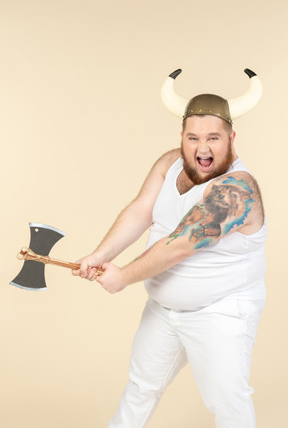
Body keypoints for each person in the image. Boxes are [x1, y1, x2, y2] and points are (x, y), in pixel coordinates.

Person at [73, 68, 266, 428]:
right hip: (163, 308)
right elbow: (140, 211)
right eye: (193, 138)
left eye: (213, 138)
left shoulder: (238, 191)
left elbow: (180, 245)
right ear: (181, 136)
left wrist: (123, 278)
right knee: (140, 388)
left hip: (220, 311)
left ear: (231, 138)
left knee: (227, 403)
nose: (202, 149)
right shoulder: (169, 163)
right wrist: (99, 256)